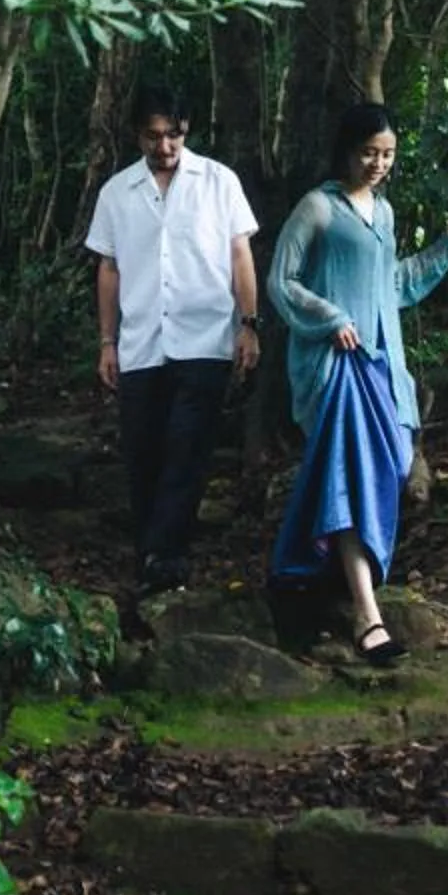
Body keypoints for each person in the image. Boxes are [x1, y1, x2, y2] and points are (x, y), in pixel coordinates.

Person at [268, 100, 448, 664]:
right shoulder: (317, 209)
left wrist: (444, 248)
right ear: (347, 150)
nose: (379, 164)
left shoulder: (382, 214)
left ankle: (316, 575)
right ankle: (368, 615)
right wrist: (331, 319)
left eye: (388, 155)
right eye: (369, 153)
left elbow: (393, 285)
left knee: (390, 469)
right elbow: (281, 282)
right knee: (349, 480)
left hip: (382, 368)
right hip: (336, 371)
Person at [86, 84, 261, 597]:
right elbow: (109, 269)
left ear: (187, 132)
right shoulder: (117, 192)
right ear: (137, 134)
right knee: (143, 451)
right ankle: (152, 552)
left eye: (174, 135)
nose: (164, 147)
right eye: (153, 136)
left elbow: (239, 255)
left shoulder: (218, 182)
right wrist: (107, 341)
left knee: (188, 450)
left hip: (205, 336)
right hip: (141, 340)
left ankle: (167, 558)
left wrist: (249, 324)